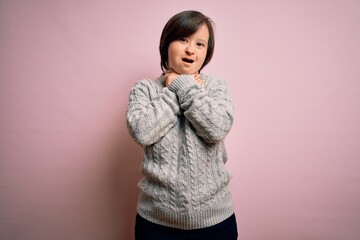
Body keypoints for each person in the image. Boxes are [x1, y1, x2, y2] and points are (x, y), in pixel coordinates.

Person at [127, 10, 238, 240]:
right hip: (156, 223)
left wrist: (184, 86)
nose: (191, 49)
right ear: (167, 43)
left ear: (206, 53)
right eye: (183, 39)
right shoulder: (144, 89)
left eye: (200, 44)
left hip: (215, 220)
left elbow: (216, 128)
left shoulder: (217, 87)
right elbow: (142, 131)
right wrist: (172, 92)